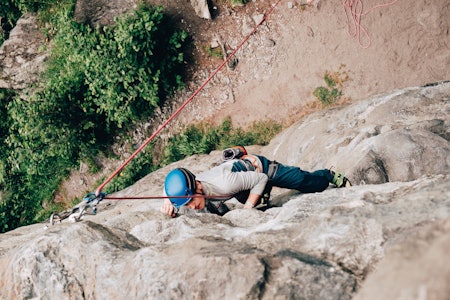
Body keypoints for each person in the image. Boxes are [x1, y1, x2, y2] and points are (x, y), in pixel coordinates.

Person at [161, 146, 351, 217]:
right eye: (187, 204)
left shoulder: (225, 183)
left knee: (306, 183)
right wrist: (166, 201)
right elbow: (170, 185)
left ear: (198, 187)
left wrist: (247, 209)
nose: (192, 207)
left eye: (191, 201)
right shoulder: (190, 190)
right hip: (242, 185)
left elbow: (261, 178)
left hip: (261, 169)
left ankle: (328, 174)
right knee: (251, 205)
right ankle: (260, 198)